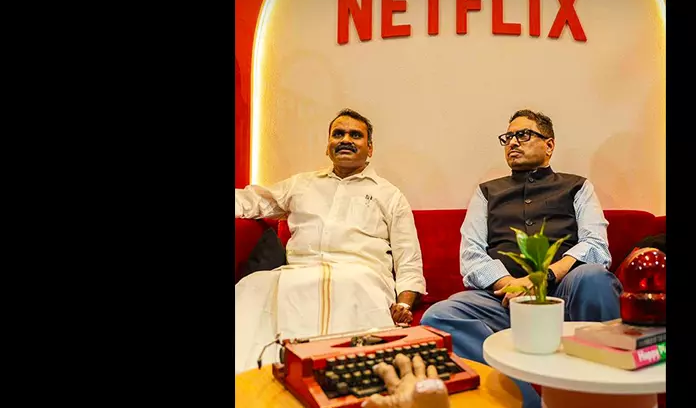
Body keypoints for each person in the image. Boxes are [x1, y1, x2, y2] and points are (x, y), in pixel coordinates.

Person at [420, 109, 622, 408]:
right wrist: (512, 285)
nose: (513, 142)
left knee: (594, 277)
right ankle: (525, 400)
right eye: (508, 137)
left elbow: (596, 246)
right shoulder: (487, 193)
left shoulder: (578, 186)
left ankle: (606, 392)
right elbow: (472, 255)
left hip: (564, 291)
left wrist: (543, 278)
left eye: (523, 135)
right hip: (504, 299)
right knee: (439, 317)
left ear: (549, 145)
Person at [234, 109, 426, 374]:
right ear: (328, 146)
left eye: (355, 135)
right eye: (338, 134)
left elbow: (409, 259)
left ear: (370, 148)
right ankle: (253, 378)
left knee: (343, 286)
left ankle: (330, 377)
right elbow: (253, 201)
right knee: (253, 285)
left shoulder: (389, 195)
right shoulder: (301, 184)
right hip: (298, 273)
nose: (345, 139)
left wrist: (403, 305)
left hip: (360, 278)